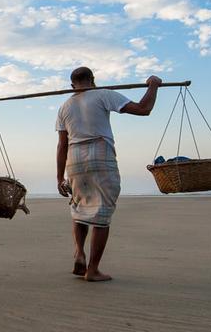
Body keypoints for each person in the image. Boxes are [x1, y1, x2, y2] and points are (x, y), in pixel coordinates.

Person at [55, 68, 161, 282]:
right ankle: (92, 270)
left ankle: (79, 252)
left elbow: (61, 145)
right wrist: (154, 85)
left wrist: (59, 177)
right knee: (101, 212)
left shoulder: (64, 107)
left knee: (80, 206)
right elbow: (143, 109)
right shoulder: (103, 94)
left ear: (72, 84)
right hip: (99, 153)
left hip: (74, 159)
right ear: (92, 80)